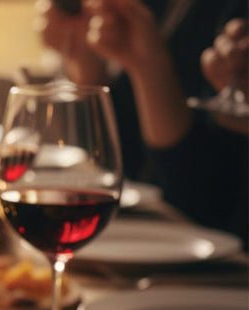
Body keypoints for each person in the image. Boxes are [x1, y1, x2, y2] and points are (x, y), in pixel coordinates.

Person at [36, 0, 248, 247]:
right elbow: (123, 168)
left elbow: (205, 197)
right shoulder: (154, 8)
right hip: (159, 243)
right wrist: (85, 62)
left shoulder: (229, 14)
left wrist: (148, 65)